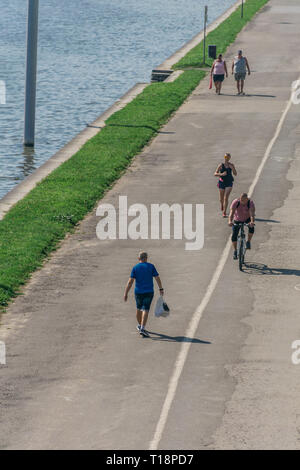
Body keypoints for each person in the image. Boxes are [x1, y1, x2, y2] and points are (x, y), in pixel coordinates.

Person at [124, 252, 164, 337]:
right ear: (146, 258)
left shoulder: (135, 268)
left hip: (138, 292)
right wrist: (160, 288)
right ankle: (142, 327)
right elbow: (157, 277)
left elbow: (130, 282)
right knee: (146, 309)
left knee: (138, 309)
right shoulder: (151, 266)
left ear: (139, 259)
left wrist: (126, 293)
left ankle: (140, 325)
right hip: (149, 292)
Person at [228, 193, 255, 260]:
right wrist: (230, 221)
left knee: (251, 228)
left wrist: (252, 222)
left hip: (247, 219)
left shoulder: (250, 203)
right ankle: (235, 250)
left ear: (247, 199)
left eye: (244, 200)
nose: (242, 202)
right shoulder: (236, 202)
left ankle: (248, 241)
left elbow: (252, 214)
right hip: (238, 219)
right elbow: (231, 213)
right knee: (234, 235)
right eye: (241, 200)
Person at [214, 153, 237, 217]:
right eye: (225, 157)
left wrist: (233, 168)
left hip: (229, 182)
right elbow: (215, 173)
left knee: (226, 198)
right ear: (224, 157)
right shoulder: (221, 165)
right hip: (222, 182)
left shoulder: (231, 165)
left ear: (229, 158)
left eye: (228, 157)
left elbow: (235, 174)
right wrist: (221, 174)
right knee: (221, 199)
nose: (226, 158)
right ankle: (222, 204)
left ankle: (224, 212)